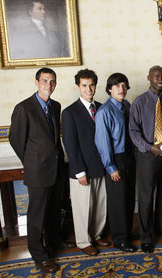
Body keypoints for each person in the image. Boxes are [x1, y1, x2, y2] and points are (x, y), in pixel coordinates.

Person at [9, 68, 75, 274]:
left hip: (56, 168)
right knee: (37, 215)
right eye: (45, 81)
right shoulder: (23, 108)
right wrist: (32, 162)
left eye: (53, 81)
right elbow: (16, 140)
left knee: (54, 210)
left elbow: (54, 139)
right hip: (37, 170)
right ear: (36, 82)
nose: (49, 85)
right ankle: (39, 255)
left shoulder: (55, 106)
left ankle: (55, 242)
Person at [129, 66, 162, 253]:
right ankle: (146, 236)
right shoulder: (139, 102)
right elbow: (133, 131)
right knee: (146, 197)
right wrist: (150, 147)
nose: (161, 79)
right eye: (157, 76)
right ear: (149, 77)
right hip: (147, 156)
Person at [61, 69, 109, 257]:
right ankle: (83, 241)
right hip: (82, 169)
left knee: (99, 206)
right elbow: (70, 145)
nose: (88, 89)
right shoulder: (70, 112)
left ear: (96, 86)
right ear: (78, 87)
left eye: (91, 85)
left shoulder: (102, 107)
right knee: (82, 208)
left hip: (100, 166)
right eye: (84, 85)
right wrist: (80, 171)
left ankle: (96, 235)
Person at [94, 73, 137, 253]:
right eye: (117, 85)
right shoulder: (104, 111)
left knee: (128, 198)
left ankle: (127, 232)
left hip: (129, 157)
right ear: (110, 89)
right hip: (115, 159)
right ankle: (119, 239)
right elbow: (102, 143)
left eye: (124, 85)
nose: (122, 89)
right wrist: (111, 167)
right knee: (117, 201)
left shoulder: (126, 105)